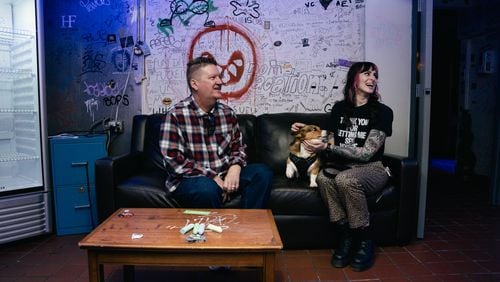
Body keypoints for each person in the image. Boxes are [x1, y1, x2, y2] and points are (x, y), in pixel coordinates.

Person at [291, 61, 393, 272]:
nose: (372, 78)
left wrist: (329, 146)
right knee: (323, 178)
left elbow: (366, 153)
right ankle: (345, 235)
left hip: (372, 168)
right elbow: (329, 138)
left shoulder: (383, 112)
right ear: (353, 79)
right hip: (342, 166)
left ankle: (364, 239)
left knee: (345, 179)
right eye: (366, 73)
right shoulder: (339, 109)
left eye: (375, 75)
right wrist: (304, 131)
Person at [159, 56, 273, 209]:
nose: (220, 82)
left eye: (219, 77)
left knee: (262, 173)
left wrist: (235, 168)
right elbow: (174, 161)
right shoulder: (176, 115)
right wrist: (212, 177)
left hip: (224, 174)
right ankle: (215, 231)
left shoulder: (227, 113)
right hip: (191, 180)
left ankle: (247, 227)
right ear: (195, 84)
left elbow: (237, 148)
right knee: (207, 189)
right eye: (213, 77)